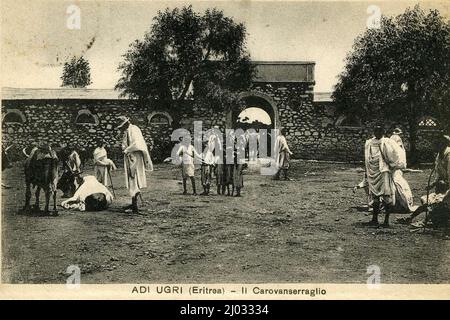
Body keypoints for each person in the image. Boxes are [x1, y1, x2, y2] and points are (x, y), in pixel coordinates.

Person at [364, 126, 415, 227]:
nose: (378, 133)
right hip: (372, 172)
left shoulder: (387, 142)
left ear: (383, 132)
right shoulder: (369, 143)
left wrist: (393, 167)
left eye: (380, 131)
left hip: (384, 172)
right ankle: (374, 219)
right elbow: (367, 158)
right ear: (374, 132)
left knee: (387, 195)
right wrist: (367, 170)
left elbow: (395, 155)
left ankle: (386, 221)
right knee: (375, 196)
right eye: (376, 130)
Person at [398, 135, 450, 227]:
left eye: (439, 144)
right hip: (443, 186)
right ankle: (410, 218)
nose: (436, 146)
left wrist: (445, 184)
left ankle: (424, 222)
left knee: (438, 202)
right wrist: (433, 183)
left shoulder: (448, 155)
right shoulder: (439, 155)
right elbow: (438, 172)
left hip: (447, 187)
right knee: (428, 201)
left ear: (445, 144)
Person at [117, 116, 153, 214]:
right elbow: (124, 144)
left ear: (126, 123)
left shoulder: (135, 130)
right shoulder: (126, 132)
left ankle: (134, 205)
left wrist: (127, 150)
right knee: (131, 179)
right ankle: (133, 203)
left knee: (135, 178)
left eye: (122, 126)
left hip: (135, 157)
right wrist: (125, 149)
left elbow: (137, 143)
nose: (122, 129)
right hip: (129, 157)